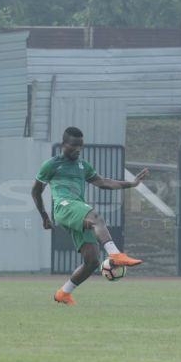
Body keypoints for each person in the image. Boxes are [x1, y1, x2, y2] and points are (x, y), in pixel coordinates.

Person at [32, 126, 148, 306]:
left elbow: (103, 182)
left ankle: (63, 293)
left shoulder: (83, 166)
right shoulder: (51, 165)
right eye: (73, 146)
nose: (77, 149)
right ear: (64, 145)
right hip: (64, 207)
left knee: (92, 261)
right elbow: (36, 192)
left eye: (80, 146)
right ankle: (116, 255)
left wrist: (131, 184)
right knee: (96, 218)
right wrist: (44, 216)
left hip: (76, 208)